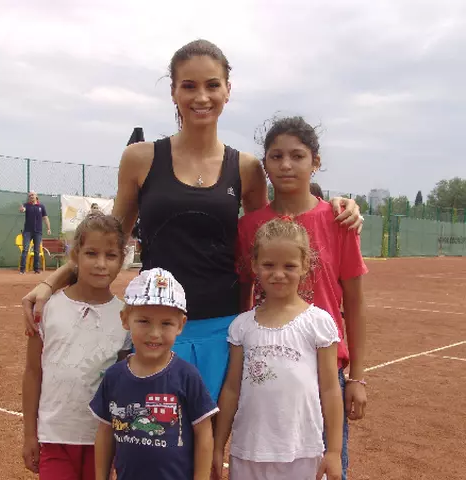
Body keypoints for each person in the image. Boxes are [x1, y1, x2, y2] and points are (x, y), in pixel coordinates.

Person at [21, 40, 362, 402]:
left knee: (213, 434)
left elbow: (275, 231)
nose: (202, 97)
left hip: (223, 329)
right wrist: (51, 281)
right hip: (155, 327)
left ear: (227, 90)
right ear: (174, 92)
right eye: (189, 86)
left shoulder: (246, 168)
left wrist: (335, 205)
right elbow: (107, 239)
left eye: (212, 85)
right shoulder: (140, 159)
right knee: (152, 433)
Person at [235, 116, 368, 479]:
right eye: (276, 156)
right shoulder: (249, 226)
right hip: (267, 365)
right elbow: (243, 298)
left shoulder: (339, 220)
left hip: (324, 372)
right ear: (265, 164)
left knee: (325, 465)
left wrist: (357, 377)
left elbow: (355, 303)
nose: (286, 165)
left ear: (315, 162)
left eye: (297, 156)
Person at [213, 218, 343, 480]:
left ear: (305, 265)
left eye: (289, 266)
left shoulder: (319, 323)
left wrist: (334, 451)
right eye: (269, 265)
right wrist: (217, 447)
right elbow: (231, 389)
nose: (278, 274)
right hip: (248, 452)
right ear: (254, 265)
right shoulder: (241, 326)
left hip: (303, 453)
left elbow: (330, 390)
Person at [22, 213, 132, 479]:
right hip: (54, 437)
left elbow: (124, 386)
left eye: (111, 255)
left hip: (102, 440)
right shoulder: (46, 309)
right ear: (75, 255)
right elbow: (33, 372)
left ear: (122, 259)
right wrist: (29, 435)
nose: (101, 264)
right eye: (91, 253)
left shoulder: (126, 318)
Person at [90, 268, 218, 480]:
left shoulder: (187, 376)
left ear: (181, 325)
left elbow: (204, 434)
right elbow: (105, 432)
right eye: (144, 321)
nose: (154, 333)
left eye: (166, 323)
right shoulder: (114, 376)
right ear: (125, 319)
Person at [19, 191, 51, 274]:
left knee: (37, 251)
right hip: (27, 232)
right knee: (25, 250)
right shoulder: (26, 205)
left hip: (38, 232)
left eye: (32, 195)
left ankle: (36, 269)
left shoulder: (41, 206)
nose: (31, 196)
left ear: (36, 196)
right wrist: (22, 209)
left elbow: (45, 218)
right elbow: (23, 209)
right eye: (29, 195)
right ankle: (22, 270)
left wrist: (48, 228)